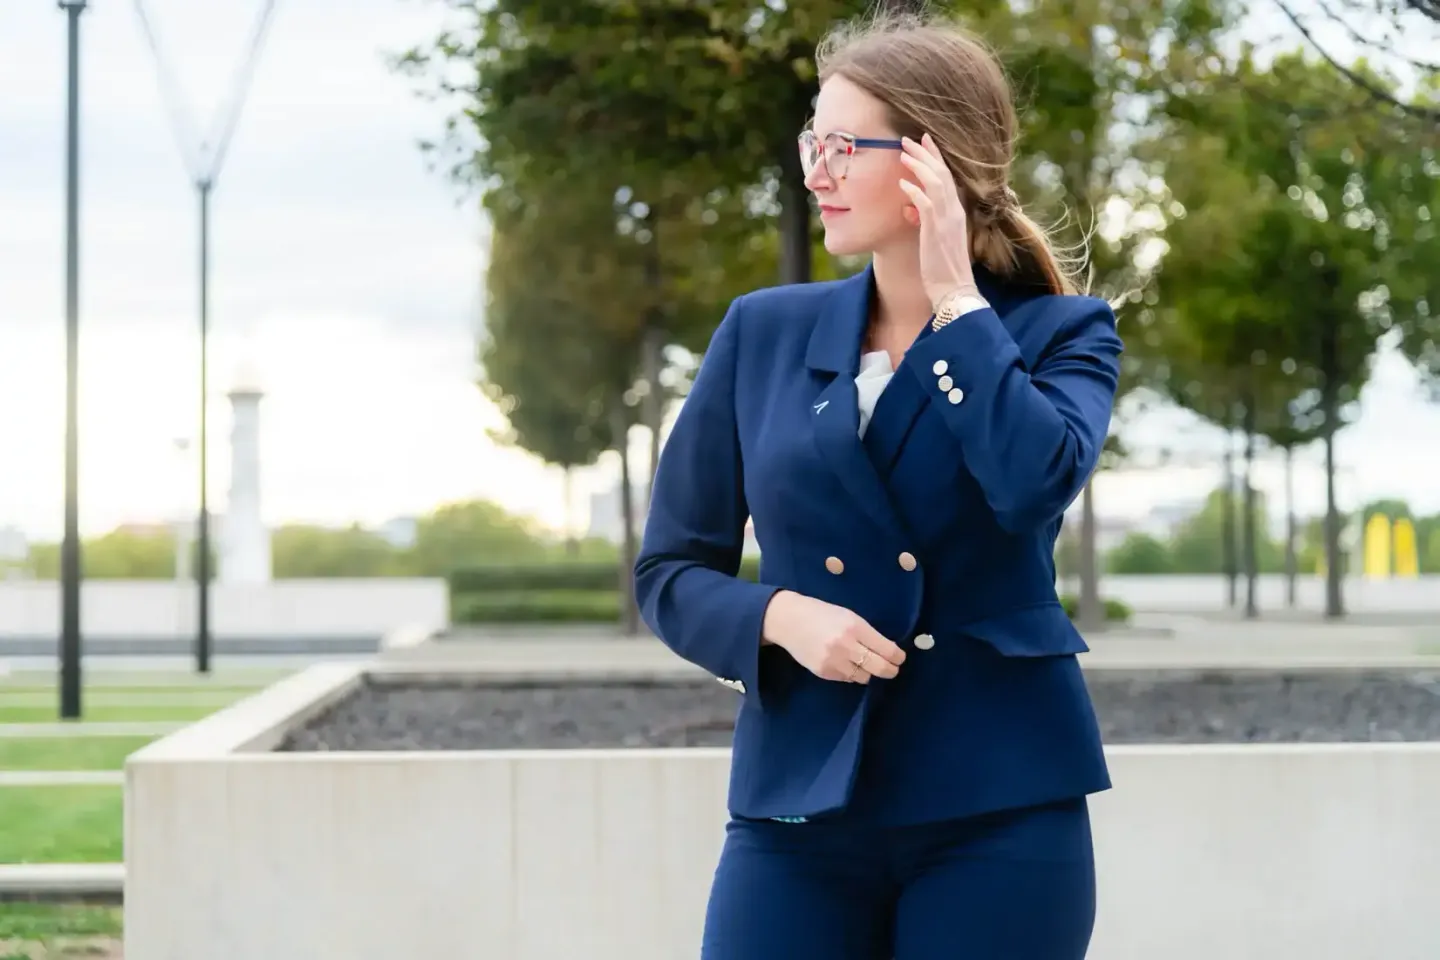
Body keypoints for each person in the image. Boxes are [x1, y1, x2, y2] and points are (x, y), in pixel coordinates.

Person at [634, 9, 1123, 959]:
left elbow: (1033, 486)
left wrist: (955, 306)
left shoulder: (1064, 333)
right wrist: (779, 618)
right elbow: (669, 570)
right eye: (811, 142)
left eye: (841, 145)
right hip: (797, 805)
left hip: (1001, 802)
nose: (815, 171)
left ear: (932, 163)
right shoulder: (761, 332)